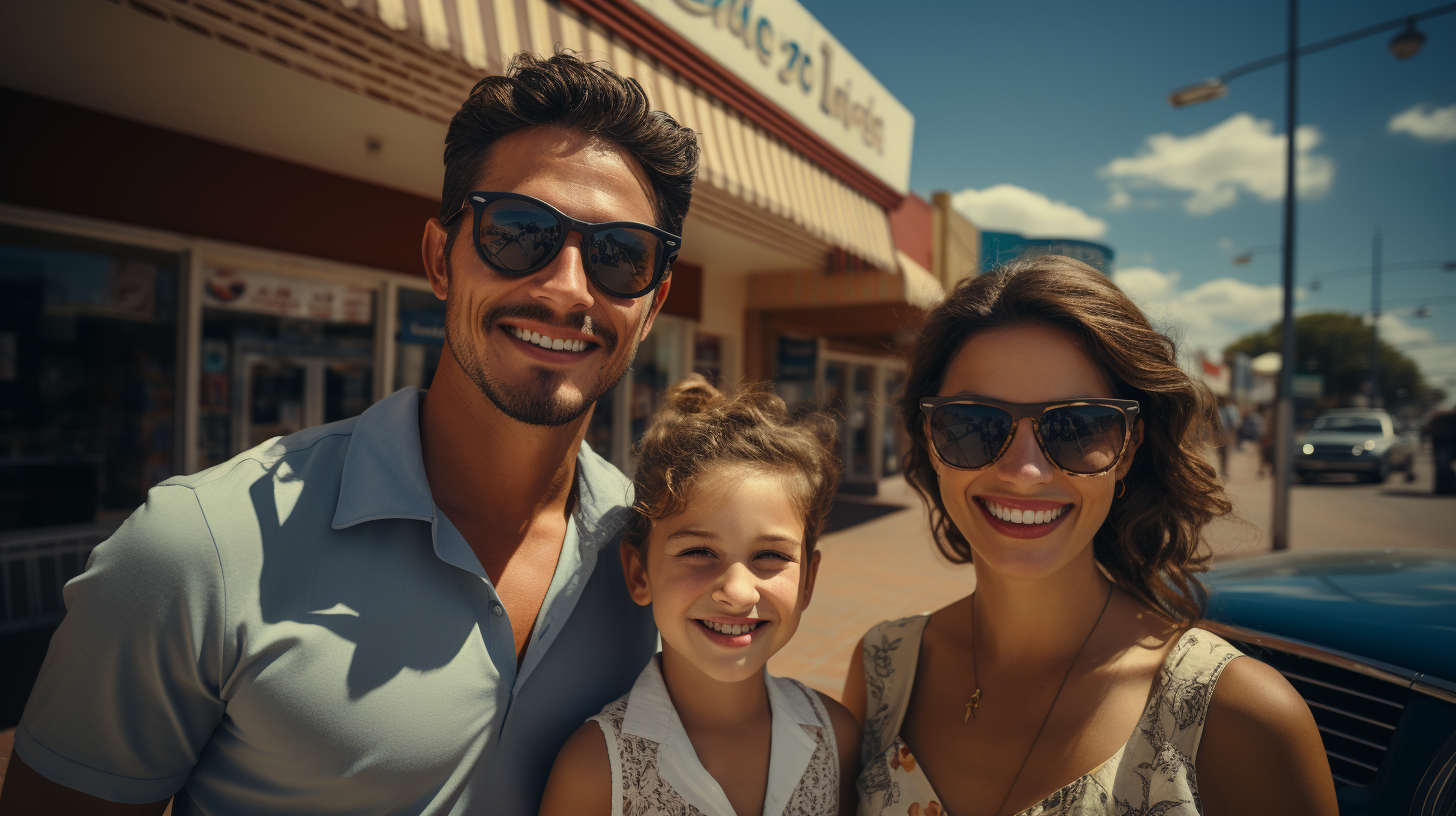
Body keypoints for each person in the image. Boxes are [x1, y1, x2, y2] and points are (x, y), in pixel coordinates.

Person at [0, 52, 698, 815]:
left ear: (653, 304)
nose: (568, 288)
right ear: (441, 259)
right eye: (520, 232)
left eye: (619, 256)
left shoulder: (655, 557)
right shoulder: (198, 547)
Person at [842, 256, 1337, 816]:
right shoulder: (882, 666)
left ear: (1127, 449)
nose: (1024, 472)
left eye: (1077, 427)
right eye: (975, 424)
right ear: (931, 443)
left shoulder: (1238, 714)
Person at [538, 376, 861, 816]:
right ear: (639, 573)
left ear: (808, 581)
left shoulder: (837, 737)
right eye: (698, 552)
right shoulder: (595, 771)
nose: (736, 590)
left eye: (769, 555)